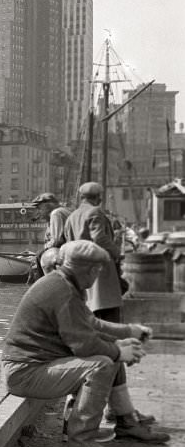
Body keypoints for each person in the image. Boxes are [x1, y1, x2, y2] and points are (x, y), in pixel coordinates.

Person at [1, 240, 169, 447]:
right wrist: (119, 351)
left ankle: (124, 423)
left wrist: (127, 334)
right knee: (102, 364)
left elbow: (91, 325)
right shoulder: (62, 291)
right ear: (89, 269)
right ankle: (81, 442)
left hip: (34, 366)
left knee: (110, 354)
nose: (98, 274)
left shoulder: (63, 284)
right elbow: (85, 345)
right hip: (25, 372)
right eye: (98, 269)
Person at [65, 181, 156, 428]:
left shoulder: (72, 216)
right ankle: (121, 413)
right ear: (99, 197)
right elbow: (101, 241)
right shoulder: (95, 214)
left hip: (86, 288)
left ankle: (119, 410)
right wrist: (118, 252)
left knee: (103, 347)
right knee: (115, 346)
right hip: (103, 287)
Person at [31, 191, 71, 274]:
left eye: (39, 208)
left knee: (39, 256)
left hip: (64, 253)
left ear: (48, 204)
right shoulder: (61, 212)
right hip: (68, 250)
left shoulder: (56, 213)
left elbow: (57, 240)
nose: (38, 211)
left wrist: (44, 250)